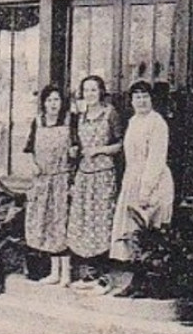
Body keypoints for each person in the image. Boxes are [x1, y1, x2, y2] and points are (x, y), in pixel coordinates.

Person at [108, 80, 177, 298]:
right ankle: (135, 282)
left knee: (150, 234)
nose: (141, 101)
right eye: (137, 97)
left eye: (145, 96)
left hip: (153, 182)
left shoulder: (157, 123)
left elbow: (156, 159)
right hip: (133, 179)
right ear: (131, 101)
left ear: (151, 99)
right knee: (133, 234)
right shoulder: (134, 121)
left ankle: (149, 284)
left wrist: (146, 190)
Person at [65, 75, 122, 295]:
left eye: (94, 90)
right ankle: (89, 274)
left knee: (102, 222)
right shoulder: (80, 116)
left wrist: (99, 150)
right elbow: (77, 145)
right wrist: (75, 152)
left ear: (101, 92)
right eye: (86, 90)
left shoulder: (110, 114)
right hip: (84, 174)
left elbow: (119, 144)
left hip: (103, 175)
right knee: (84, 221)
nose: (90, 94)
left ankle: (104, 277)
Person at [22, 83, 78, 286]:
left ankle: (66, 274)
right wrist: (34, 165)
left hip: (62, 179)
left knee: (61, 225)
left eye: (57, 100)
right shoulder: (38, 122)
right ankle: (54, 272)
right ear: (44, 103)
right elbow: (28, 149)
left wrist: (74, 153)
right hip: (43, 181)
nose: (53, 104)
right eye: (50, 100)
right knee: (47, 225)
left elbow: (77, 148)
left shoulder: (70, 121)